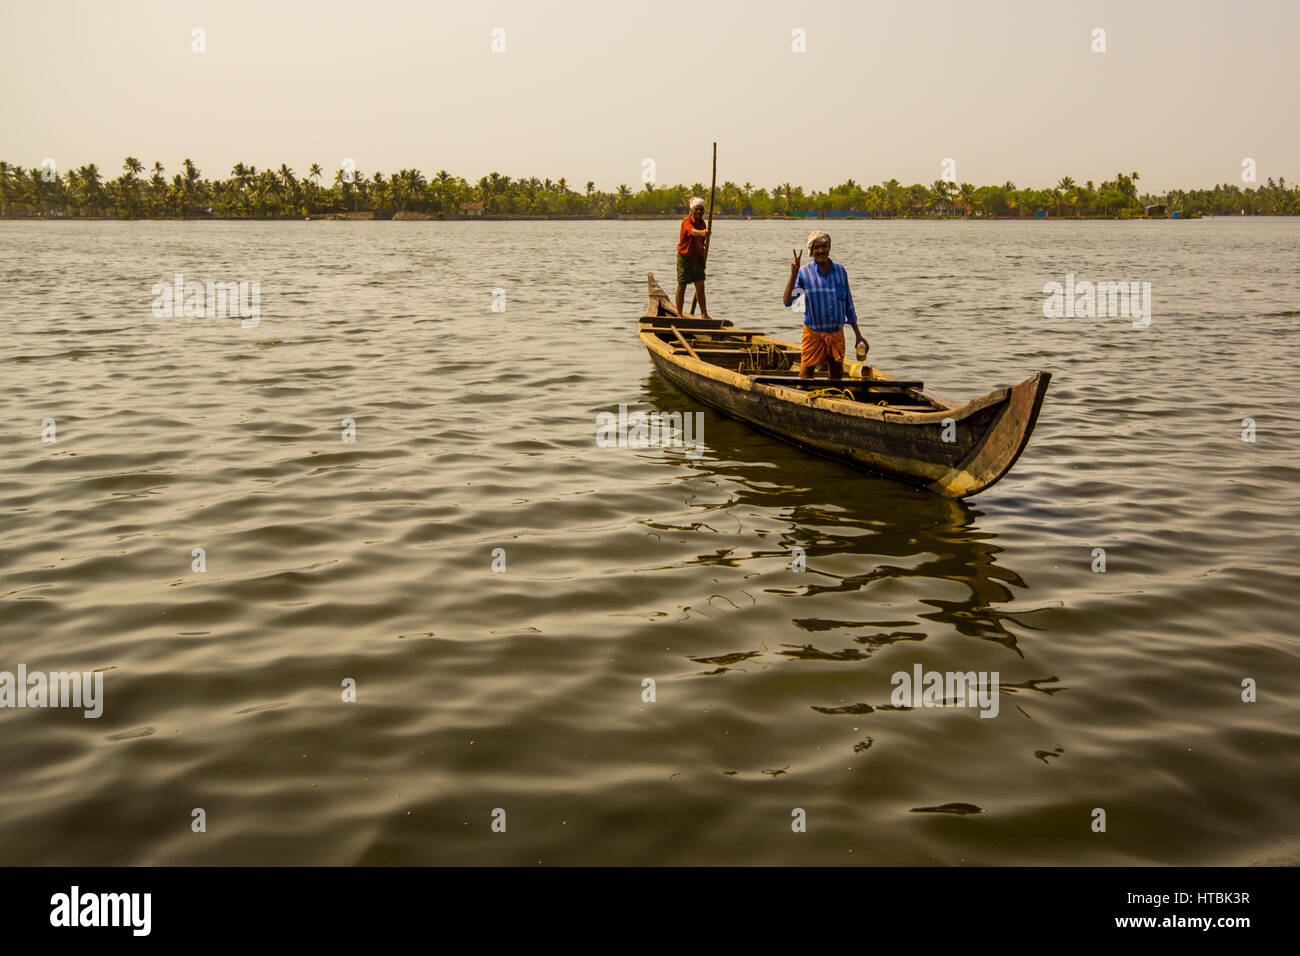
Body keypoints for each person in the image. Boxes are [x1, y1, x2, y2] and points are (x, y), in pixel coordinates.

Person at [782, 230, 867, 379]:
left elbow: (849, 305)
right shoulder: (804, 273)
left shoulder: (840, 271)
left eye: (824, 246)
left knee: (837, 375)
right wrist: (793, 274)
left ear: (829, 247)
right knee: (806, 375)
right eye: (817, 248)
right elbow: (788, 301)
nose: (821, 250)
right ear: (811, 251)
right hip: (813, 334)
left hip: (836, 333)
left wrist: (858, 335)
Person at [675, 197, 711, 318]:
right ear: (691, 210)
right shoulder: (686, 222)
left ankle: (704, 314)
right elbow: (693, 232)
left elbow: (702, 241)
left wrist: (704, 242)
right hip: (684, 257)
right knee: (682, 286)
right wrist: (703, 232)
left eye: (701, 210)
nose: (699, 212)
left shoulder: (702, 223)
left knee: (700, 286)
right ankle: (679, 314)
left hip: (698, 258)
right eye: (697, 209)